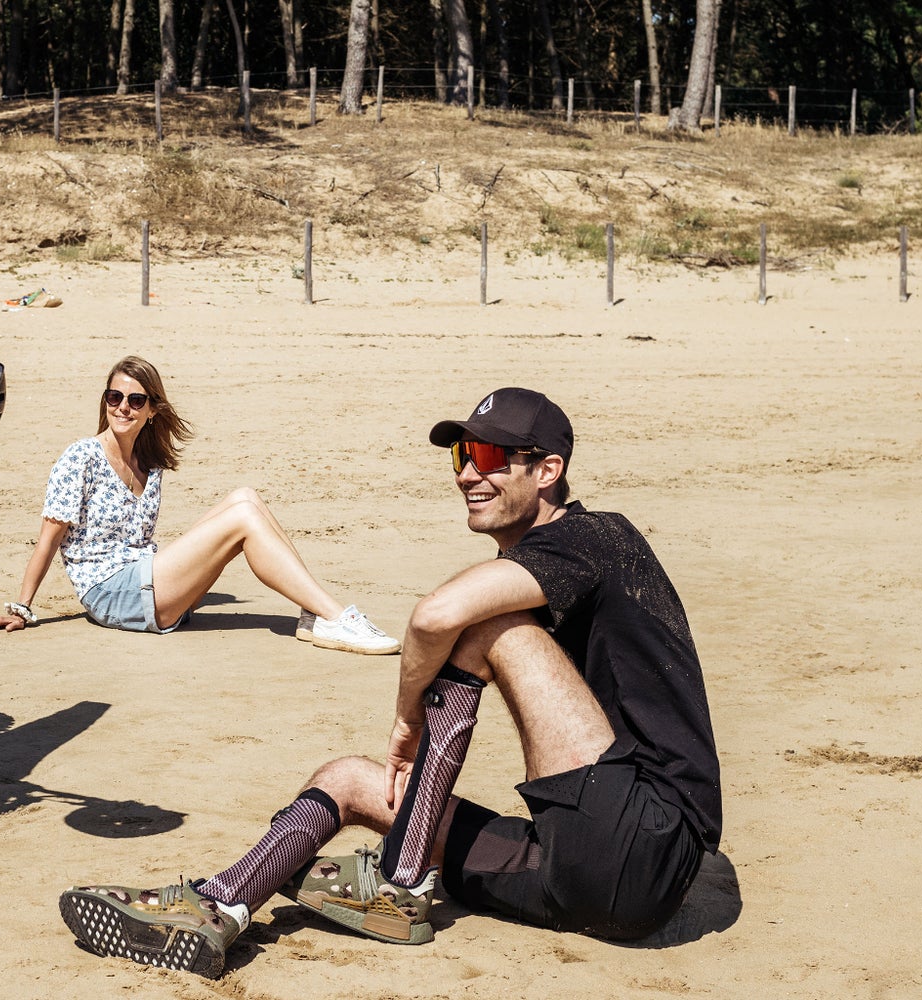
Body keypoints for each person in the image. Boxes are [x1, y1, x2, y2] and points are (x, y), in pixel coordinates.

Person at [57, 388, 721, 978]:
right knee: (345, 779)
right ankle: (220, 905)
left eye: (490, 458)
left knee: (491, 626)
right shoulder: (544, 563)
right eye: (460, 456)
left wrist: (407, 723)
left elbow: (436, 617)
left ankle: (400, 880)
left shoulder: (598, 537)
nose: (467, 474)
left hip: (649, 842)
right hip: (566, 874)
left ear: (549, 471)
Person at [0, 356, 398, 654]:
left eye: (136, 400)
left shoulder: (149, 462)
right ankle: (335, 616)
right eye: (114, 397)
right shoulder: (81, 456)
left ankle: (314, 612)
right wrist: (21, 609)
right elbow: (48, 540)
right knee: (244, 518)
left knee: (245, 497)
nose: (123, 407)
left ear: (153, 409)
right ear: (105, 401)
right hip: (113, 593)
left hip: (145, 579)